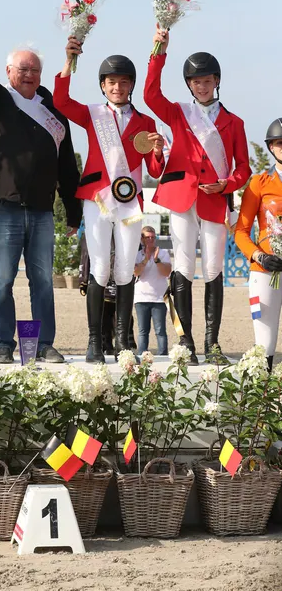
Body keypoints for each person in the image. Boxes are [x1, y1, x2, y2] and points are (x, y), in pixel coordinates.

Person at [0, 0, 82, 364]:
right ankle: (4, 345)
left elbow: (66, 167)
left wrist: (72, 211)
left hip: (42, 212)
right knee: (1, 282)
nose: (28, 75)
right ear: (9, 72)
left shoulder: (54, 113)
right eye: (22, 69)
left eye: (34, 71)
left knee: (43, 283)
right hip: (2, 209)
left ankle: (42, 344)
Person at [54, 36, 164, 362]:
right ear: (103, 85)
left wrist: (158, 150)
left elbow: (155, 169)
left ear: (131, 85)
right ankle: (93, 342)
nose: (117, 87)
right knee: (100, 267)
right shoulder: (92, 114)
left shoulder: (146, 123)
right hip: (97, 198)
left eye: (123, 81)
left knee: (125, 268)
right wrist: (68, 61)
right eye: (111, 81)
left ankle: (122, 341)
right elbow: (61, 101)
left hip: (130, 203)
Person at [144, 26, 251, 364]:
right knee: (184, 267)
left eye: (206, 80)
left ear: (216, 81)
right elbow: (149, 94)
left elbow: (244, 169)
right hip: (181, 199)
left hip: (214, 199)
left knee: (215, 269)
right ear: (189, 85)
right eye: (195, 82)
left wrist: (227, 184)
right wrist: (159, 49)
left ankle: (213, 344)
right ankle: (185, 342)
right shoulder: (178, 113)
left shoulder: (234, 123)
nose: (201, 86)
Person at [235, 119, 282, 372]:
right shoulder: (259, 183)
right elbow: (241, 231)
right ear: (271, 147)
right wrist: (259, 256)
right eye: (280, 143)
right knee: (265, 344)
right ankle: (262, 404)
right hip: (266, 270)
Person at [133, 226, 172, 355]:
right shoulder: (138, 254)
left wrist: (156, 260)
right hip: (141, 297)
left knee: (160, 330)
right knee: (143, 331)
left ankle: (163, 355)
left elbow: (166, 272)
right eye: (147, 237)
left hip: (159, 297)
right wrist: (146, 259)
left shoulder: (163, 253)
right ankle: (142, 356)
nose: (150, 240)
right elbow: (136, 273)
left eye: (152, 237)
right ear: (142, 239)